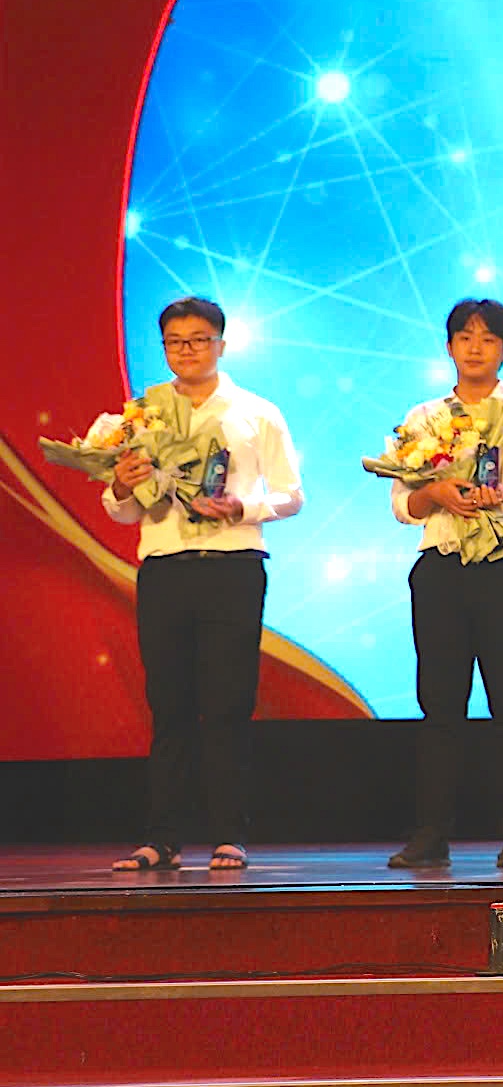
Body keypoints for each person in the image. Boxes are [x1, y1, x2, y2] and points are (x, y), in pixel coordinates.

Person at [103, 296, 303, 872]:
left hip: (232, 564)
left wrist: (241, 506)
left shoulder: (254, 412)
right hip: (165, 566)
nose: (186, 351)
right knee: (168, 704)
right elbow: (119, 510)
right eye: (174, 342)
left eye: (198, 339)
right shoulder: (141, 416)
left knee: (226, 703)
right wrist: (121, 482)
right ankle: (160, 837)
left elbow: (292, 495)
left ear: (222, 343)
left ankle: (227, 834)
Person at [384, 300, 503, 871]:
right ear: (448, 347)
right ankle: (431, 833)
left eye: (488, 339)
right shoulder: (423, 417)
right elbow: (401, 504)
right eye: (464, 337)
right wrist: (435, 495)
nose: (475, 347)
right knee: (439, 704)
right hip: (441, 566)